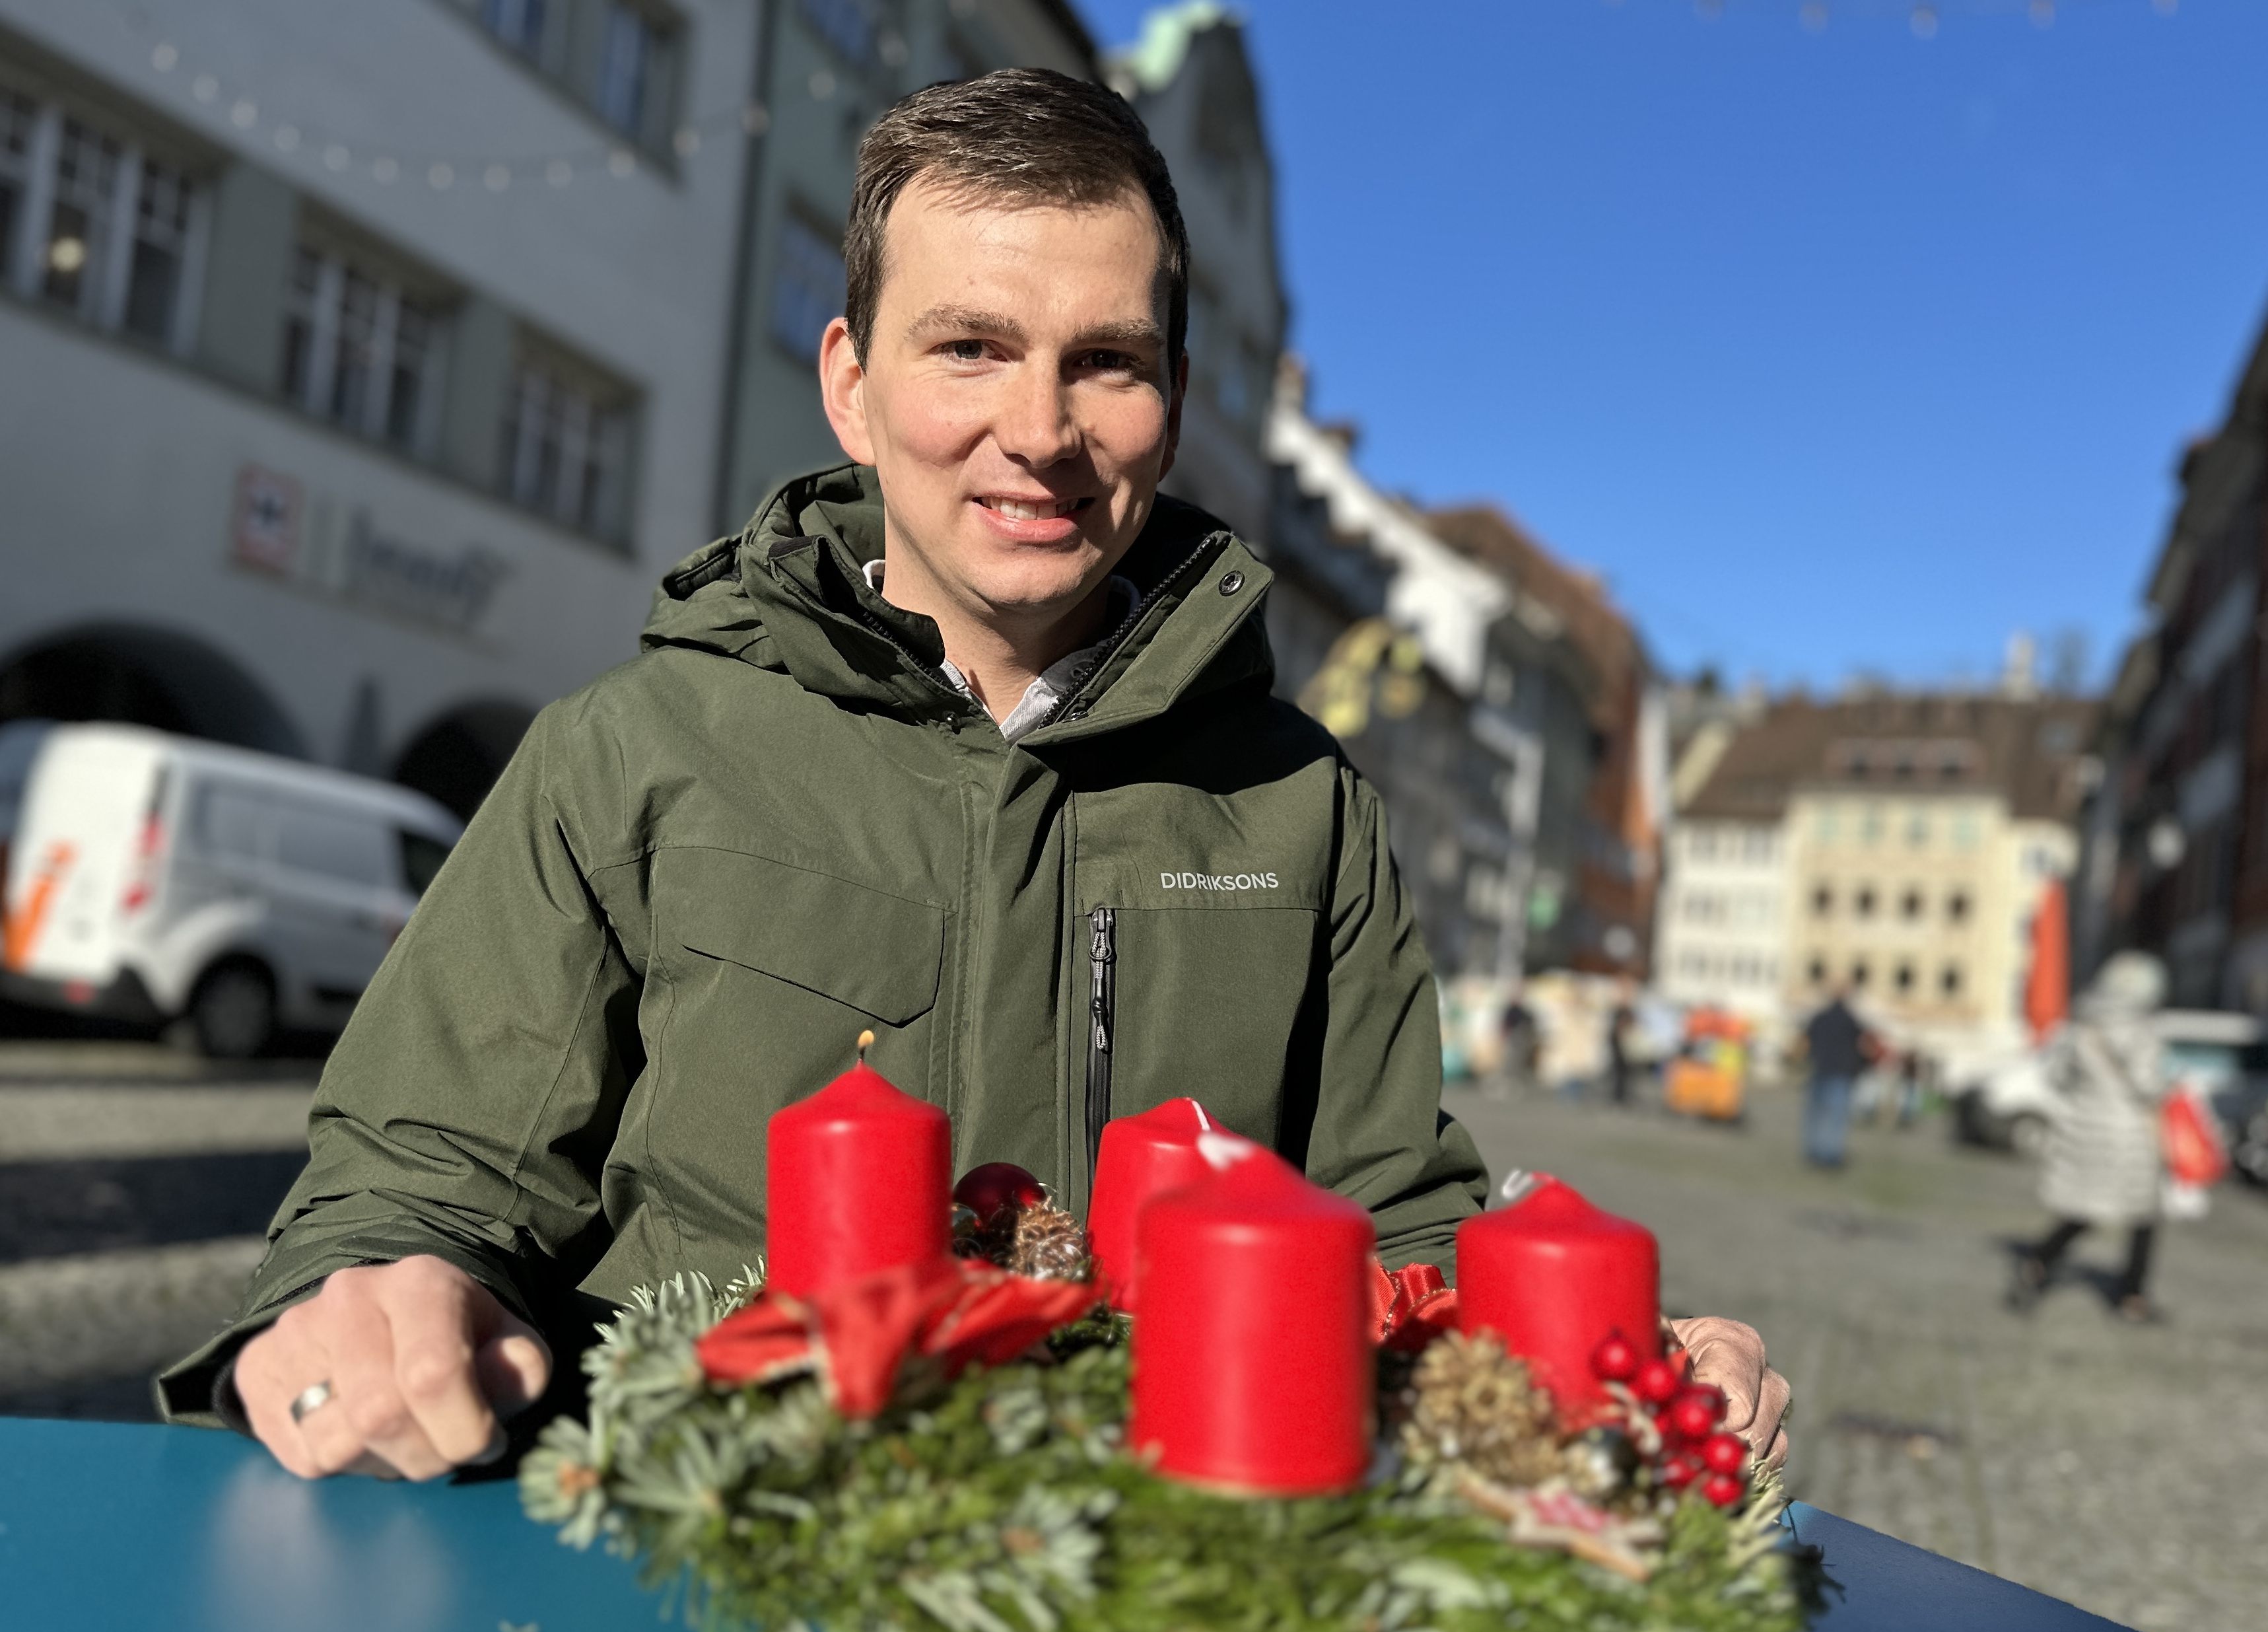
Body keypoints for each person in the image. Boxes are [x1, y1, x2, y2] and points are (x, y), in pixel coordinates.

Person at [156, 71, 1791, 1483]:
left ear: (1169, 401)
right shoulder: (635, 754)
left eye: (1106, 361)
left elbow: (1392, 1228)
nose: (1039, 428)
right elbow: (419, 1177)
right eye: (968, 348)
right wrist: (387, 1291)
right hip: (685, 1555)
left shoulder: (1297, 808)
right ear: (851, 385)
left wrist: (1589, 1358)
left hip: (1153, 1590)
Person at [2008, 952, 2169, 1323]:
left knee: (2083, 1211)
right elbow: (2149, 1087)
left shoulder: (2080, 1029)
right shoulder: (2142, 1033)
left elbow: (2057, 1077)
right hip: (2129, 1140)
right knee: (2143, 1216)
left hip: (2084, 1132)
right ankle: (2132, 1298)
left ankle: (2036, 1265)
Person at [1800, 987, 1872, 1168]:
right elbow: (1863, 1046)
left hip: (1821, 1069)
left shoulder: (1820, 1018)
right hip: (1842, 1073)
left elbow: (1807, 1041)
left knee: (1816, 1114)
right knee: (1836, 1117)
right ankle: (1831, 1154)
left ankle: (1815, 1151)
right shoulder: (1851, 1021)